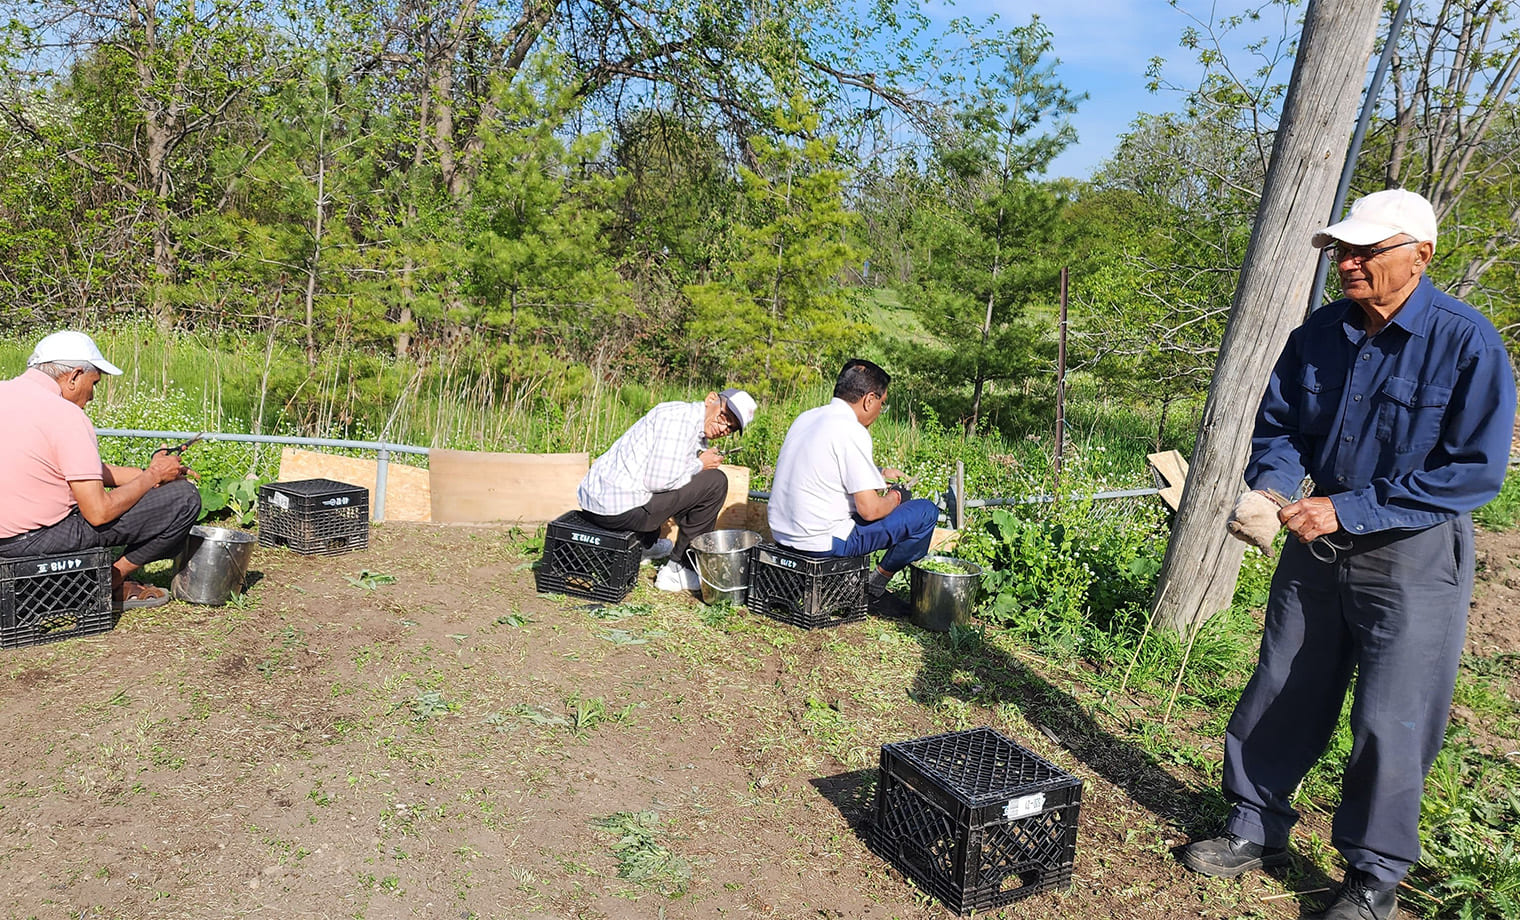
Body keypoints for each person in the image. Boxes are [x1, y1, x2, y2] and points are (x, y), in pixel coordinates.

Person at [1181, 189, 1516, 920]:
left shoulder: (1467, 342)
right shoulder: (1320, 334)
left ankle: (1373, 875)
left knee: (1391, 715)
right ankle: (1252, 824)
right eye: (1343, 249)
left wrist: (1349, 507)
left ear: (1420, 256)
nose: (1349, 263)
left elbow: (1473, 472)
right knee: (1284, 682)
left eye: (1367, 250)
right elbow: (1279, 428)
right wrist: (1270, 489)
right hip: (1317, 546)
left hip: (1413, 557)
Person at [0, 331, 202, 610]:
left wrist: (150, 473)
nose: (92, 395)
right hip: (33, 541)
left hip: (6, 536)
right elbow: (98, 512)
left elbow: (64, 468)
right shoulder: (66, 415)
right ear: (74, 376)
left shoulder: (5, 393)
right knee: (183, 498)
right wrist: (153, 476)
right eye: (93, 383)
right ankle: (110, 578)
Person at [767, 359, 939, 610]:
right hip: (820, 543)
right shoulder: (852, 430)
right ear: (869, 399)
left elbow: (826, 465)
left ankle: (855, 581)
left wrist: (878, 473)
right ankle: (874, 587)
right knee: (925, 512)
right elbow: (870, 510)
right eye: (882, 403)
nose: (880, 410)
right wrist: (896, 496)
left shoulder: (807, 418)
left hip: (782, 536)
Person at [578, 387, 757, 592]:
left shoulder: (683, 416)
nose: (723, 427)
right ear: (711, 399)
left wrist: (697, 463)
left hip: (598, 502)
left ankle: (645, 544)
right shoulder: (681, 421)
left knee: (692, 481)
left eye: (731, 428)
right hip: (615, 509)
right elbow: (657, 482)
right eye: (724, 416)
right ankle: (678, 569)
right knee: (715, 482)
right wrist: (700, 464)